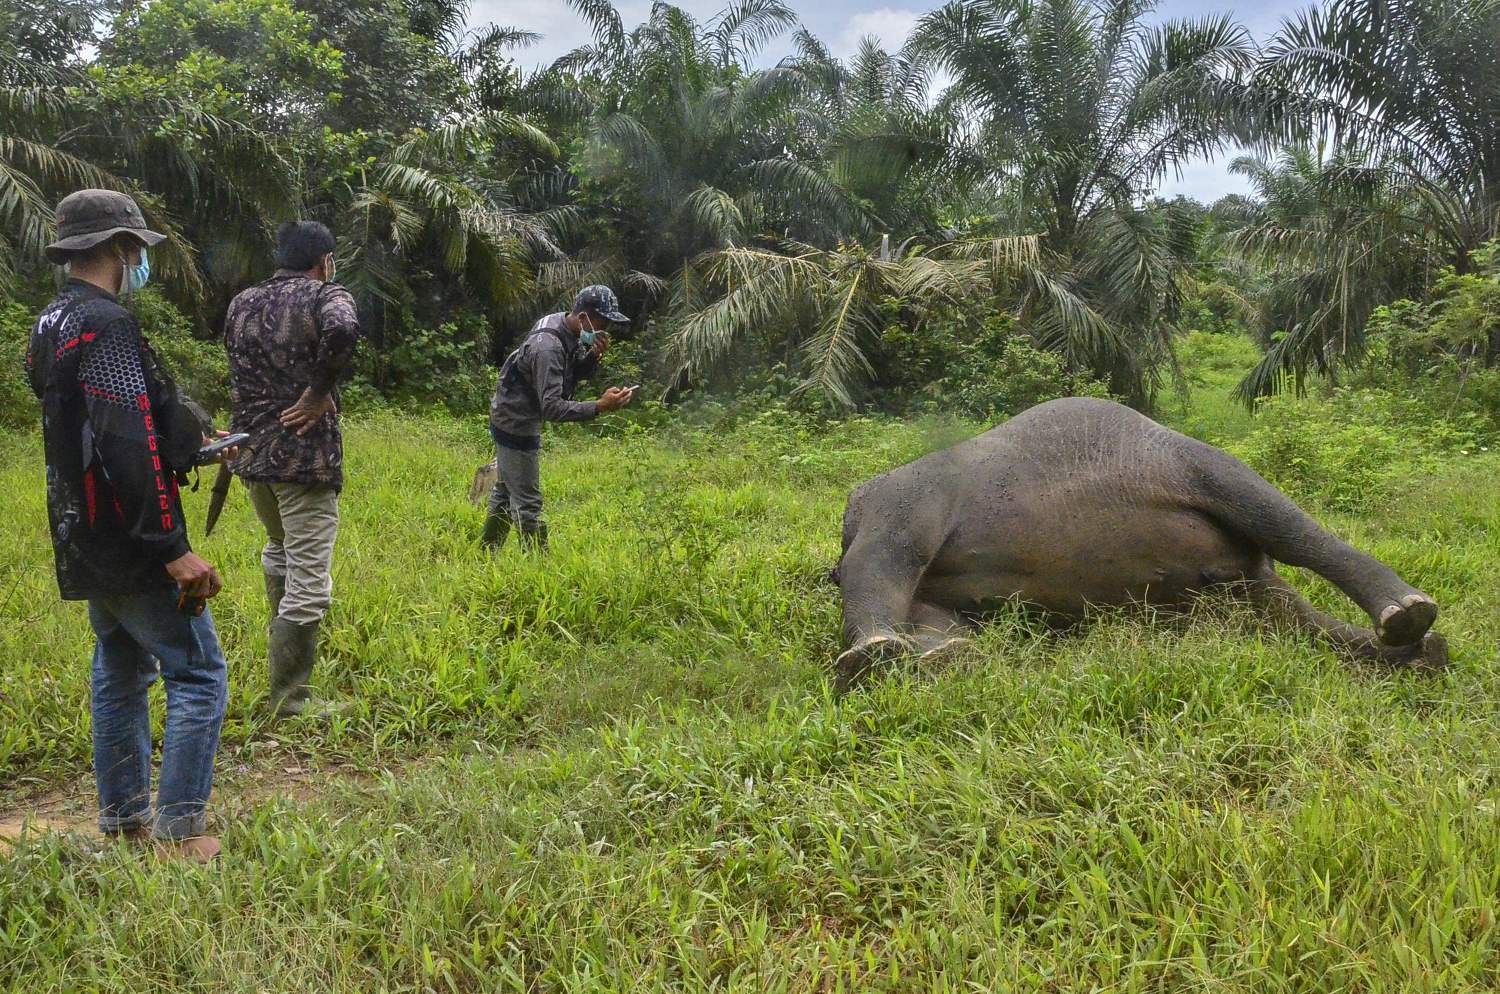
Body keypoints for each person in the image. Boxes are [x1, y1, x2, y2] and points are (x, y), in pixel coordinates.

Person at [27, 189, 232, 862]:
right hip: (133, 535)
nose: (140, 260)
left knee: (119, 667)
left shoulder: (53, 318)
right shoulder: (109, 324)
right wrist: (172, 547)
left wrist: (192, 437)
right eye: (136, 250)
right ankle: (179, 831)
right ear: (120, 249)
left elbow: (96, 423)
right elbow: (121, 440)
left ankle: (122, 822)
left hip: (81, 531)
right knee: (198, 673)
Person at [223, 221, 360, 719]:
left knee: (278, 548)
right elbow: (343, 330)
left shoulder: (243, 301)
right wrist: (317, 392)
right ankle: (290, 698)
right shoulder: (325, 296)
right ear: (323, 260)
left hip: (253, 454)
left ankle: (283, 675)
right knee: (310, 575)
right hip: (304, 460)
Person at [482, 286, 636, 551]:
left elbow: (570, 372)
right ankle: (538, 567)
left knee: (505, 491)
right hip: (516, 421)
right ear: (584, 317)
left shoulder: (564, 325)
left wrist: (593, 357)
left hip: (510, 410)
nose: (605, 329)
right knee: (528, 503)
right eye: (603, 322)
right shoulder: (549, 348)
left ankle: (487, 552)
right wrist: (599, 406)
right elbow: (552, 408)